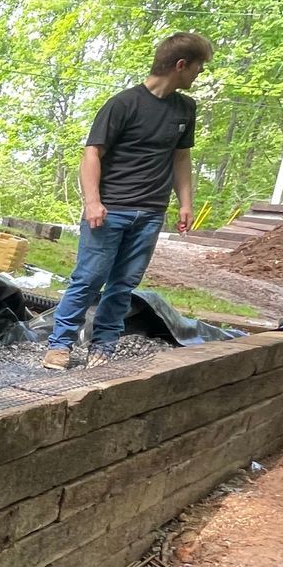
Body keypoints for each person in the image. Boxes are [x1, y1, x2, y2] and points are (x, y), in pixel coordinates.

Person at [42, 32, 212, 370]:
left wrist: (185, 203)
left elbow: (181, 158)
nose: (198, 74)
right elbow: (92, 153)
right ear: (181, 65)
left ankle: (103, 345)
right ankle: (60, 344)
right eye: (197, 68)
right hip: (110, 211)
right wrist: (92, 201)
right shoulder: (124, 104)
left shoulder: (185, 108)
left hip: (150, 214)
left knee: (123, 284)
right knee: (88, 279)